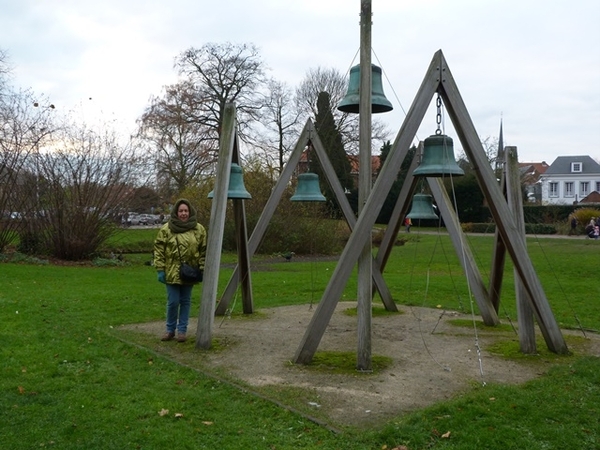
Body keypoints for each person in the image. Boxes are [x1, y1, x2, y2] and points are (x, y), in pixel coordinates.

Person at [153, 199, 207, 343]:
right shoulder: (166, 229)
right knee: (173, 301)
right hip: (171, 271)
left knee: (185, 301)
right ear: (176, 213)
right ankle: (170, 329)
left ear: (190, 212)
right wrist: (160, 269)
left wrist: (202, 269)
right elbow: (159, 249)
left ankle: (182, 330)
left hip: (189, 272)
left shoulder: (199, 229)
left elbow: (203, 251)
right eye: (181, 211)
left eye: (186, 211)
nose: (183, 213)